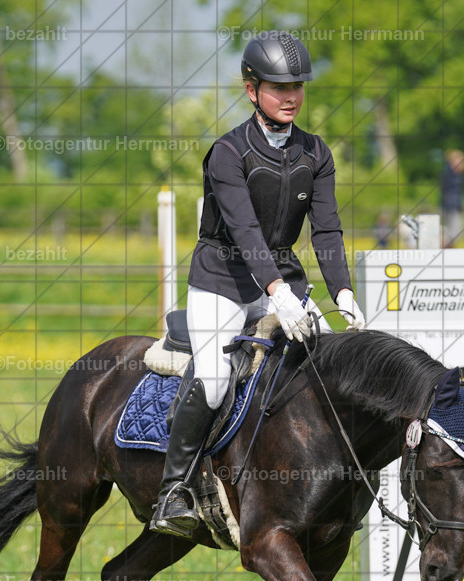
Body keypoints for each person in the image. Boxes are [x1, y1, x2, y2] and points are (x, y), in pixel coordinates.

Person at [149, 30, 367, 537]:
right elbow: (245, 232)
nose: (290, 96)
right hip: (222, 281)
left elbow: (328, 229)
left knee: (324, 370)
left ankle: (331, 491)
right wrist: (278, 295)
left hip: (283, 283)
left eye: (297, 86)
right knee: (216, 376)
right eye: (277, 87)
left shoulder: (316, 153)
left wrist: (343, 292)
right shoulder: (228, 153)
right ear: (252, 91)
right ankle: (173, 491)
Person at [441, 149, 464, 247]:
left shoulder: (456, 175)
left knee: (453, 235)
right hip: (451, 207)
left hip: (453, 206)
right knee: (452, 234)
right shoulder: (451, 176)